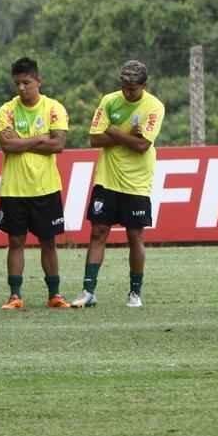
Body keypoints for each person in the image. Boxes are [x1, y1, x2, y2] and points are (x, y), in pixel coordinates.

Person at [72, 60, 164, 308]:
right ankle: (88, 291)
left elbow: (142, 145)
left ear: (144, 85)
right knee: (98, 232)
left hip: (137, 182)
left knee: (135, 236)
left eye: (132, 87)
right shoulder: (109, 101)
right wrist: (127, 136)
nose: (127, 91)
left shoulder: (154, 106)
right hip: (107, 178)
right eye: (124, 85)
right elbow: (94, 139)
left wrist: (113, 132)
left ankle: (135, 293)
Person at [0, 58, 71, 309]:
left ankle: (55, 295)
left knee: (48, 242)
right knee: (15, 242)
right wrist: (40, 139)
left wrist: (23, 141)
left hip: (45, 187)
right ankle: (15, 295)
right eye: (17, 83)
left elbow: (58, 145)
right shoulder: (6, 110)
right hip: (14, 189)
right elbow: (7, 145)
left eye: (26, 82)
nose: (21, 88)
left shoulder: (53, 109)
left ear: (39, 80)